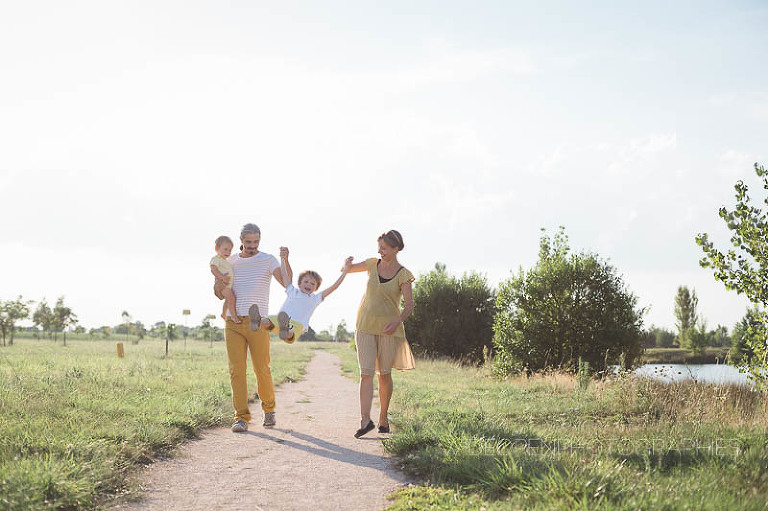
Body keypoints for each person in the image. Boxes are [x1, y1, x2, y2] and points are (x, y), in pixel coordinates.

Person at [216, 223, 286, 432]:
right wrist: (219, 284)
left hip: (259, 323)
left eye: (256, 242)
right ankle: (241, 417)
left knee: (261, 368)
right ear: (241, 241)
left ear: (260, 240)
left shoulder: (268, 259)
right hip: (233, 322)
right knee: (236, 371)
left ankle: (269, 409)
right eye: (248, 242)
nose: (252, 246)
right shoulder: (230, 261)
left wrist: (285, 260)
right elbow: (218, 291)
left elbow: (286, 283)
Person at [346, 229, 415, 438]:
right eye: (379, 247)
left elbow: (410, 305)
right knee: (365, 374)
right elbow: (347, 269)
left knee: (384, 375)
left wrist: (397, 321)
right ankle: (365, 421)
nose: (380, 251)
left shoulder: (403, 274)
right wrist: (347, 263)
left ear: (396, 249)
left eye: (384, 248)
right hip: (364, 326)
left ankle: (383, 418)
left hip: (388, 331)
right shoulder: (371, 264)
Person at [249, 251, 354, 343]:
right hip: (279, 318)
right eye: (306, 282)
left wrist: (345, 270)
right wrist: (283, 259)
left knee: (290, 333)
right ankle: (257, 320)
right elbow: (285, 276)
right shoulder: (293, 291)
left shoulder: (315, 298)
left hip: (298, 324)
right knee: (266, 321)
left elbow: (334, 286)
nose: (309, 285)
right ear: (299, 284)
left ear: (316, 288)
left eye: (313, 284)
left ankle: (285, 330)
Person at [210, 235, 240, 323]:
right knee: (232, 299)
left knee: (228, 300)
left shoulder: (224, 260)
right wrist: (222, 277)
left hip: (227, 285)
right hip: (223, 284)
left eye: (230, 250)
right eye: (225, 249)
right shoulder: (216, 259)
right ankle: (234, 316)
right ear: (217, 248)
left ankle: (223, 313)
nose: (228, 252)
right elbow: (213, 269)